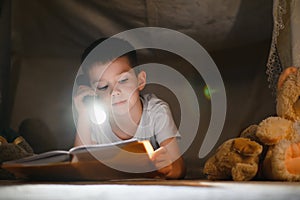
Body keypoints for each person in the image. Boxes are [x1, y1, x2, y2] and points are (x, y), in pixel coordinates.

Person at [73, 38, 185, 179]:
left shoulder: (156, 112)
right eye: (102, 86)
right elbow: (80, 169)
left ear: (140, 80)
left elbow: (179, 167)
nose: (114, 92)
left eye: (123, 80)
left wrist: (168, 168)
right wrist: (83, 114)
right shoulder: (94, 120)